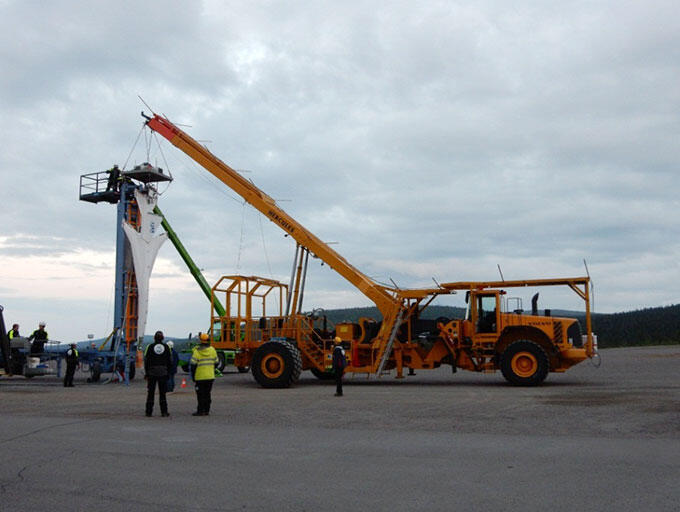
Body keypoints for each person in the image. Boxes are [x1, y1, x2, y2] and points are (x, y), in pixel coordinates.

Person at [144, 331, 172, 417]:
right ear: (163, 338)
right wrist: (168, 373)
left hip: (152, 372)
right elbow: (169, 361)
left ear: (154, 338)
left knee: (150, 393)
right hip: (163, 372)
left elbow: (146, 361)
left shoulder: (150, 347)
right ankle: (164, 412)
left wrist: (147, 373)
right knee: (162, 393)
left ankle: (149, 412)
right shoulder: (166, 347)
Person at [190, 333, 218, 416]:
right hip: (210, 376)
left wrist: (193, 376)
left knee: (200, 395)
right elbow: (216, 362)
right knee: (207, 393)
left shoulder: (196, 351)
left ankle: (200, 411)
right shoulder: (212, 350)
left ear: (200, 341)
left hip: (200, 377)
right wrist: (211, 369)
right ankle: (207, 410)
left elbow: (193, 365)